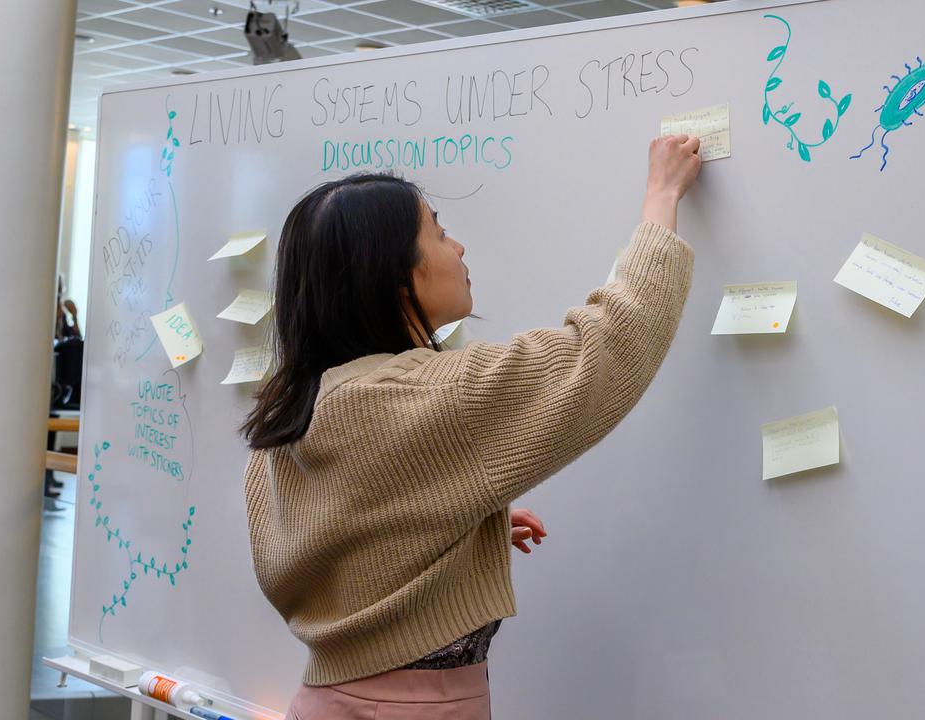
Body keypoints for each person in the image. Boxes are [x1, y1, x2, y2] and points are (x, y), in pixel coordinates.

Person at [241, 134, 701, 719]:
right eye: (436, 233)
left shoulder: (292, 407)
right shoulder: (425, 397)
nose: (457, 247)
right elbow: (604, 350)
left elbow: (328, 538)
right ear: (393, 274)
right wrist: (662, 198)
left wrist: (439, 524)